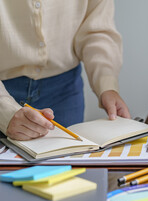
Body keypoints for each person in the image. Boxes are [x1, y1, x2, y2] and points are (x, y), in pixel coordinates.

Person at [0, 0, 130, 141]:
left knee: (70, 160)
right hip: (3, 86)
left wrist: (107, 84)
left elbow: (97, 29)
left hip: (64, 91)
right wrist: (5, 110)